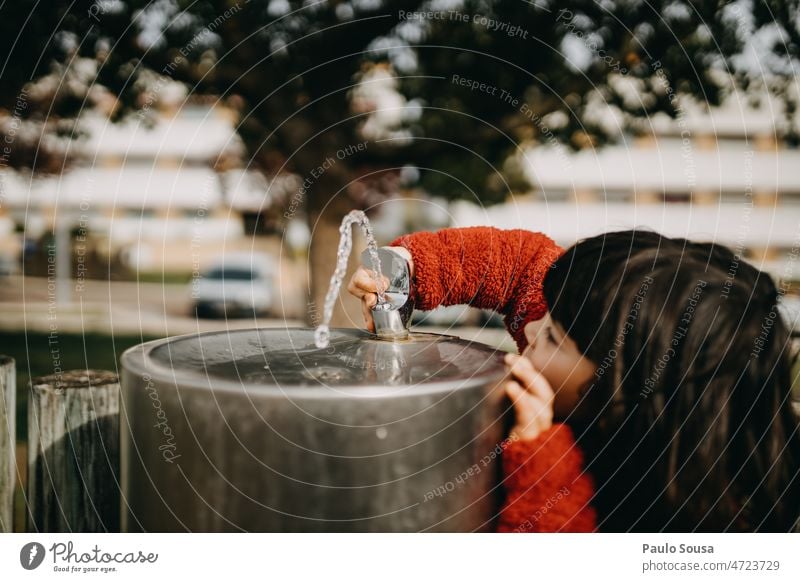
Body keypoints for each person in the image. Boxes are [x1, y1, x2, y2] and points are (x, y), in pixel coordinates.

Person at [347, 226, 800, 532]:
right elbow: (523, 268)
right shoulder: (604, 346)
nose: (527, 330)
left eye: (554, 339)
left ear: (625, 387)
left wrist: (542, 467)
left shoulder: (703, 522)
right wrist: (408, 265)